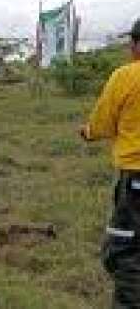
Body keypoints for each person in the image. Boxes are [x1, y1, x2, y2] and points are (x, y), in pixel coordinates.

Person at [81, 19, 140, 307]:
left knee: (125, 253)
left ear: (137, 45)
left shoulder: (125, 76)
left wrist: (88, 132)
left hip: (136, 180)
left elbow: (102, 124)